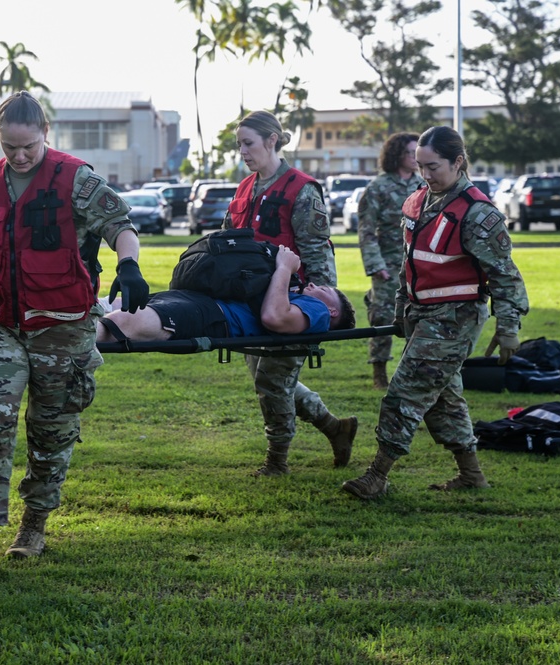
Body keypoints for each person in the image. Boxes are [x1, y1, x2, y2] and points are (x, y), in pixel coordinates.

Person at [0, 91, 150, 584]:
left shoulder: (75, 179)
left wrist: (129, 265)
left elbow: (121, 225)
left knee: (51, 432)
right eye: (9, 146)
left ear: (45, 135)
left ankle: (34, 523)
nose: (18, 156)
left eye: (28, 147)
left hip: (62, 327)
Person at [343, 126, 529, 500]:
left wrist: (509, 327)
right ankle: (471, 475)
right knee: (443, 396)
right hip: (420, 313)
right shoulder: (417, 202)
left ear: (458, 162)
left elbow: (506, 276)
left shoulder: (477, 214)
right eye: (420, 166)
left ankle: (377, 476)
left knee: (405, 392)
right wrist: (400, 308)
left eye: (434, 167)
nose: (426, 175)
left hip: (455, 318)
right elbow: (408, 264)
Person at [223, 110, 357, 476]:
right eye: (239, 145)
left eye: (248, 144)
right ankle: (335, 427)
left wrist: (319, 308)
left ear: (272, 140)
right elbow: (228, 241)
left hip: (291, 304)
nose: (243, 152)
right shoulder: (244, 188)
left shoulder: (302, 189)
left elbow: (317, 254)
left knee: (273, 380)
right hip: (251, 302)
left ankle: (277, 461)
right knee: (267, 380)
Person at [95, 245, 356, 343]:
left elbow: (274, 318)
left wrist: (285, 267)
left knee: (124, 322)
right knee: (113, 304)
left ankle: (71, 340)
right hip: (198, 299)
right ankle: (65, 325)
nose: (313, 286)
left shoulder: (319, 313)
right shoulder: (298, 296)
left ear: (333, 310)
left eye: (323, 290)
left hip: (214, 316)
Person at [356, 132, 424, 389]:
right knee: (382, 318)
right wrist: (376, 266)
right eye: (411, 153)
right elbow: (366, 231)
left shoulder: (423, 186)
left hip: (418, 266)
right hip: (387, 267)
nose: (416, 158)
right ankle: (379, 373)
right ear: (397, 155)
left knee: (418, 318)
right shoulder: (378, 188)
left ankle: (411, 374)